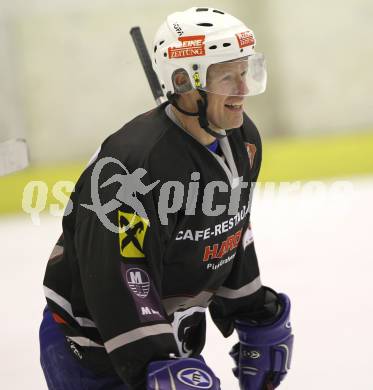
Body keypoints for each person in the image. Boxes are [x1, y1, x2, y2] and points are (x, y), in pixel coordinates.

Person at [40, 7, 294, 390]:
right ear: (184, 83)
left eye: (245, 72)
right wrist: (156, 363)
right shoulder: (132, 167)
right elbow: (121, 273)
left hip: (171, 340)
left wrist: (253, 309)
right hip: (97, 355)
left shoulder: (243, 141)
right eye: (227, 77)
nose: (243, 90)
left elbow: (228, 230)